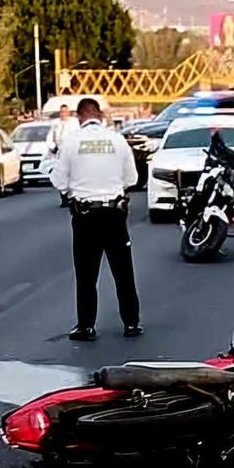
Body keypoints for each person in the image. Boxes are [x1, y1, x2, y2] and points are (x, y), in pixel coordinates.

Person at [50, 97, 142, 341]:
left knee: (86, 275)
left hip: (85, 215)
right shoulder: (117, 140)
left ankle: (86, 326)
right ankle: (131, 323)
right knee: (123, 272)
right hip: (114, 213)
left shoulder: (71, 142)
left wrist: (76, 188)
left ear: (79, 116)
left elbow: (59, 182)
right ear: (99, 115)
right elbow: (131, 178)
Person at [46, 104, 80, 209]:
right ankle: (64, 197)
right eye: (61, 112)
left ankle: (74, 197)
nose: (63, 114)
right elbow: (50, 138)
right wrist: (53, 147)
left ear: (68, 113)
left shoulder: (74, 123)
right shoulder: (56, 124)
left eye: (65, 112)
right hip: (60, 153)